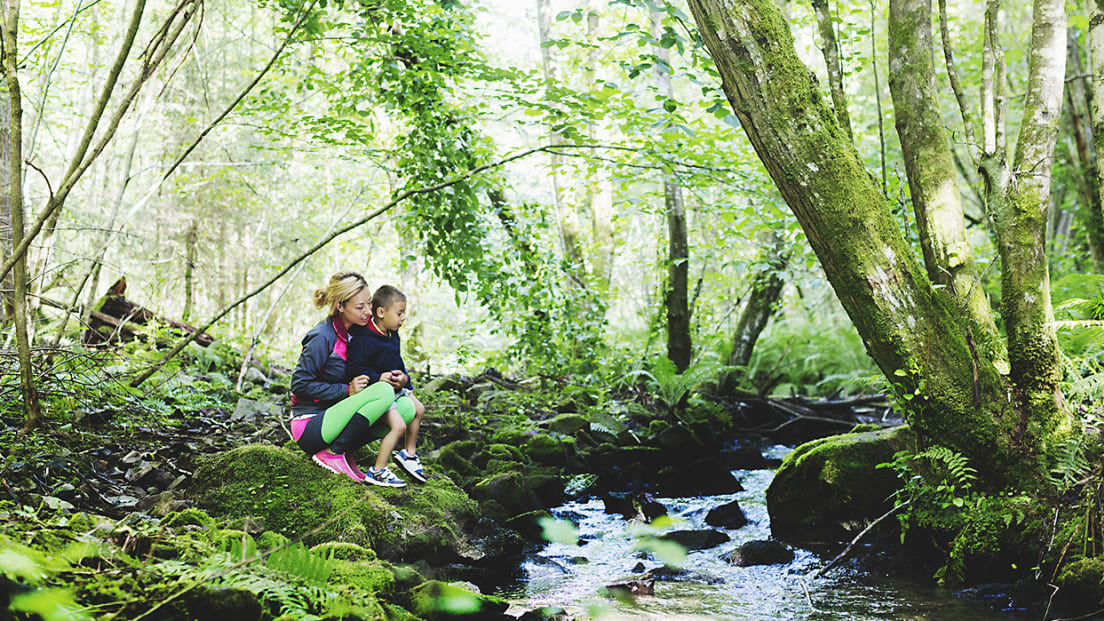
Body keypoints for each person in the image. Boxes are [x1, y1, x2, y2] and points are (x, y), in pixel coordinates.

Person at [287, 272, 409, 487]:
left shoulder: (359, 333)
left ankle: (344, 450)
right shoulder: (322, 337)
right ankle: (333, 452)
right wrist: (346, 390)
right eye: (360, 307)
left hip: (339, 413)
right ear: (341, 307)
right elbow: (299, 384)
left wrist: (400, 379)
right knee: (382, 392)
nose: (369, 312)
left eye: (369, 304)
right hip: (310, 424)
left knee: (406, 407)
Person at [345, 284, 427, 484]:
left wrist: (405, 379)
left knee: (419, 409)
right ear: (381, 312)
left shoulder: (392, 335)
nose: (403, 318)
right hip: (376, 392)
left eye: (404, 313)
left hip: (393, 387)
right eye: (399, 313)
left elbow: (397, 363)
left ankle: (408, 454)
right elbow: (354, 369)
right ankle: (378, 470)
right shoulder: (364, 338)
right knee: (397, 426)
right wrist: (377, 378)